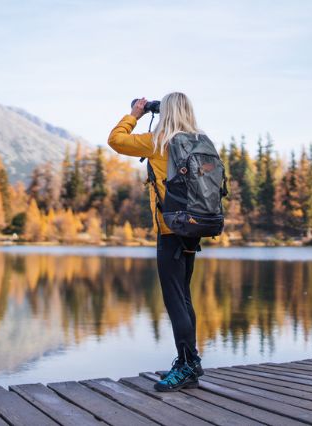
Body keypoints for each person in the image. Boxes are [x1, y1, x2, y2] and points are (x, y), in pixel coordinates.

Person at [107, 92, 205, 392]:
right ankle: (190, 362)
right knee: (183, 296)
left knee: (175, 299)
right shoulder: (200, 141)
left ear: (166, 113)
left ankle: (187, 365)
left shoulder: (158, 141)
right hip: (194, 227)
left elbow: (115, 140)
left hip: (170, 230)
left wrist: (135, 114)